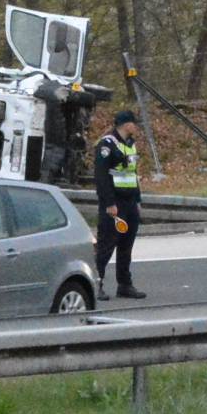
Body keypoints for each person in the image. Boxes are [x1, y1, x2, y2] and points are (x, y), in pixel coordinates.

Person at [92, 110, 146, 300]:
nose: (136, 126)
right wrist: (109, 203)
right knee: (107, 244)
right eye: (133, 123)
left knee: (126, 245)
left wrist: (138, 200)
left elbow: (133, 174)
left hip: (130, 201)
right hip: (114, 203)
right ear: (125, 124)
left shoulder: (131, 144)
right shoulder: (107, 144)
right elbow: (101, 176)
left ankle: (124, 284)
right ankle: (96, 284)